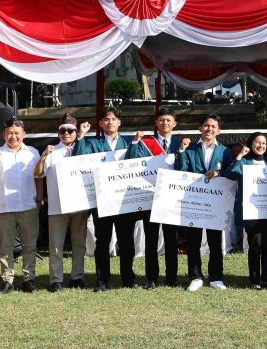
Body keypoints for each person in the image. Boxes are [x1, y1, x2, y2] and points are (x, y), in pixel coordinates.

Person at [73, 107, 136, 291]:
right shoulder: (93, 144)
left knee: (126, 241)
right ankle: (102, 280)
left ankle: (128, 278)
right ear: (100, 123)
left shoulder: (129, 143)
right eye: (106, 119)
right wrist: (81, 136)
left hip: (124, 200)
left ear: (119, 122)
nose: (110, 122)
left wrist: (137, 144)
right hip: (102, 200)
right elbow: (78, 160)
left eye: (113, 119)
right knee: (103, 241)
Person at [0, 116, 42, 294]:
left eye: (16, 133)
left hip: (28, 205)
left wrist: (39, 200)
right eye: (9, 133)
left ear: (24, 134)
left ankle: (28, 278)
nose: (13, 136)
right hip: (4, 206)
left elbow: (39, 178)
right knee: (6, 246)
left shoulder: (33, 152)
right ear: (3, 134)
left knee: (29, 245)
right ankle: (7, 280)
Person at [126, 107, 182, 288]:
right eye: (162, 120)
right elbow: (132, 162)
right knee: (151, 239)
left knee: (171, 239)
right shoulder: (145, 143)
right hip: (150, 196)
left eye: (168, 120)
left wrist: (182, 152)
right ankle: (151, 278)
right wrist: (135, 143)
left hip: (172, 198)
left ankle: (172, 277)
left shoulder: (181, 144)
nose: (165, 123)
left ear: (174, 124)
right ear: (156, 123)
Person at [175, 114, 233, 291]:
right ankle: (195, 276)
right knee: (193, 241)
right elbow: (180, 171)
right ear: (200, 128)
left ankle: (216, 277)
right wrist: (182, 152)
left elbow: (231, 173)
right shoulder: (191, 149)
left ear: (219, 130)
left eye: (213, 126)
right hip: (194, 202)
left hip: (215, 203)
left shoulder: (225, 151)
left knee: (216, 242)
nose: (209, 129)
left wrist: (219, 174)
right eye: (206, 126)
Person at [33, 114, 89, 292]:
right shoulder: (51, 152)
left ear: (76, 132)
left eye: (70, 130)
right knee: (56, 245)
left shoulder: (84, 150)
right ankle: (56, 279)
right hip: (57, 206)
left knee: (79, 243)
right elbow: (38, 174)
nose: (66, 133)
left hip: (79, 204)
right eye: (63, 130)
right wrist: (43, 157)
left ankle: (77, 277)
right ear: (58, 133)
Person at [229, 132, 267, 289]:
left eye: (264, 143)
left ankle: (266, 279)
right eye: (257, 142)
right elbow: (231, 174)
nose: (261, 146)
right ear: (251, 144)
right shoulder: (244, 162)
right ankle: (254, 280)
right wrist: (240, 156)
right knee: (255, 246)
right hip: (252, 213)